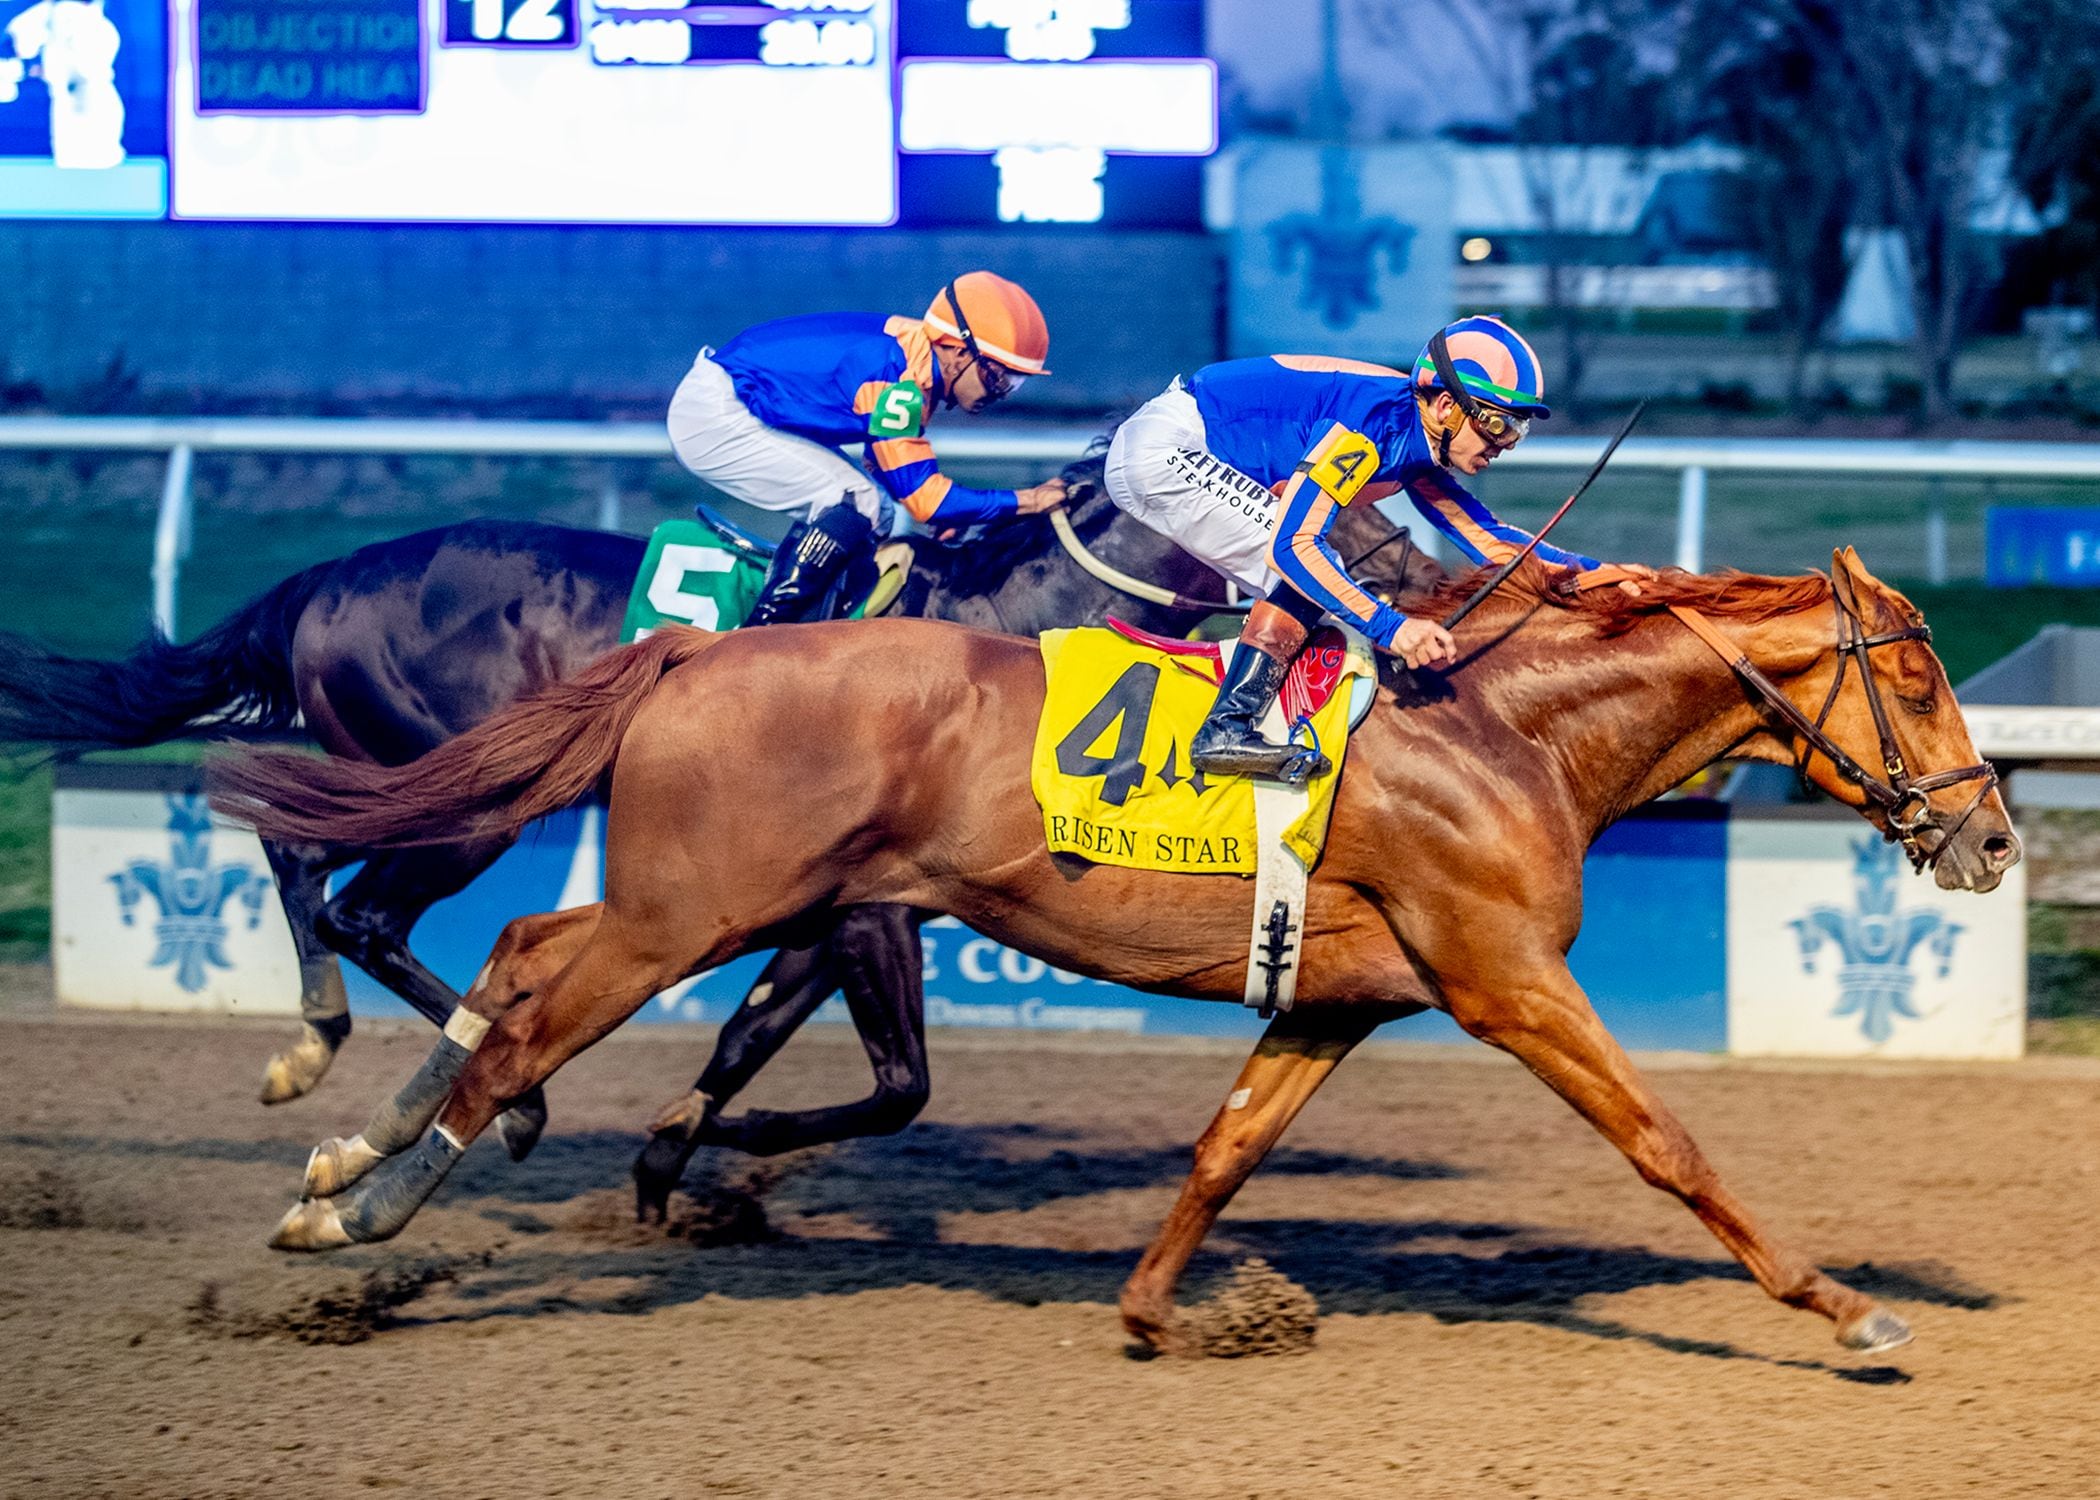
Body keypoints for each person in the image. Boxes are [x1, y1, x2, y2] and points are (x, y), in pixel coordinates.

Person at [1106, 315, 1623, 785]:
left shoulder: (1417, 440)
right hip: (1166, 450)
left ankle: (1252, 716)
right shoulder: (1368, 428)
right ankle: (1226, 728)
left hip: (1182, 445)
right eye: (1496, 423)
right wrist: (1394, 629)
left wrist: (1606, 575)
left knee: (1325, 583)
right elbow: (1291, 548)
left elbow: (1488, 539)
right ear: (1446, 406)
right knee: (1313, 567)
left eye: (1519, 428)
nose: (1505, 443)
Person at [668, 271, 1069, 627]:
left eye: (1013, 384)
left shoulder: (916, 361)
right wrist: (1029, 500)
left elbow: (888, 468)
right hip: (717, 413)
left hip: (740, 402)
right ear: (959, 352)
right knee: (860, 502)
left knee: (872, 506)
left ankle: (803, 624)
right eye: (997, 377)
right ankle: (759, 639)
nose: (1000, 394)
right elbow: (927, 502)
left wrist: (958, 509)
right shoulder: (899, 380)